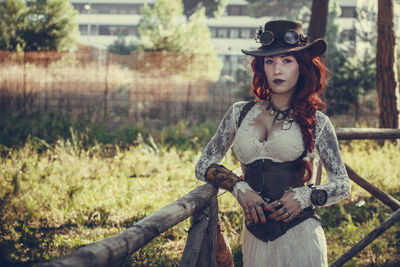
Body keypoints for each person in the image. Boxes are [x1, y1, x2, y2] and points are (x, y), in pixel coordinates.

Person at [195, 20, 351, 267]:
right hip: (255, 239)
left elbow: (343, 185)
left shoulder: (317, 122)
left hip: (301, 236)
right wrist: (238, 188)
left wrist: (306, 196)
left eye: (287, 61)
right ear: (262, 67)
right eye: (270, 61)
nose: (277, 70)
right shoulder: (240, 113)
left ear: (301, 66)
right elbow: (203, 164)